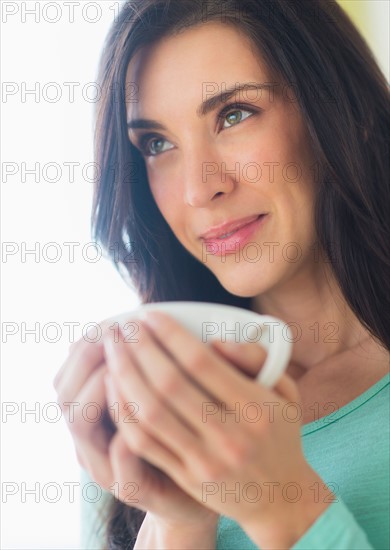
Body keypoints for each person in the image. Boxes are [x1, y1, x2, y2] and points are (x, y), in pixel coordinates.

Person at [54, 0, 390, 548]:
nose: (197, 188)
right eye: (157, 144)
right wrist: (178, 520)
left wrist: (283, 504)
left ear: (334, 107)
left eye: (233, 114)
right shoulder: (142, 420)